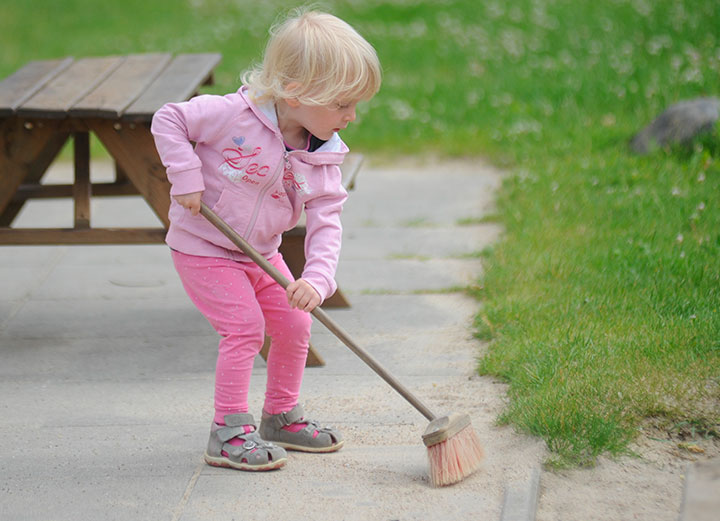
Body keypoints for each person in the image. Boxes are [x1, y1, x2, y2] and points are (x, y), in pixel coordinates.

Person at [150, 9, 381, 471]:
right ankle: (229, 431)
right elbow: (168, 119)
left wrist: (317, 279)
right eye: (342, 105)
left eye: (356, 105)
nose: (351, 117)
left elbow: (327, 219)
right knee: (245, 329)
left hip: (262, 252)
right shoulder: (230, 114)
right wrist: (186, 176)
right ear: (295, 91)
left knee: (295, 323)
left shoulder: (322, 155)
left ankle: (280, 416)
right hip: (205, 247)